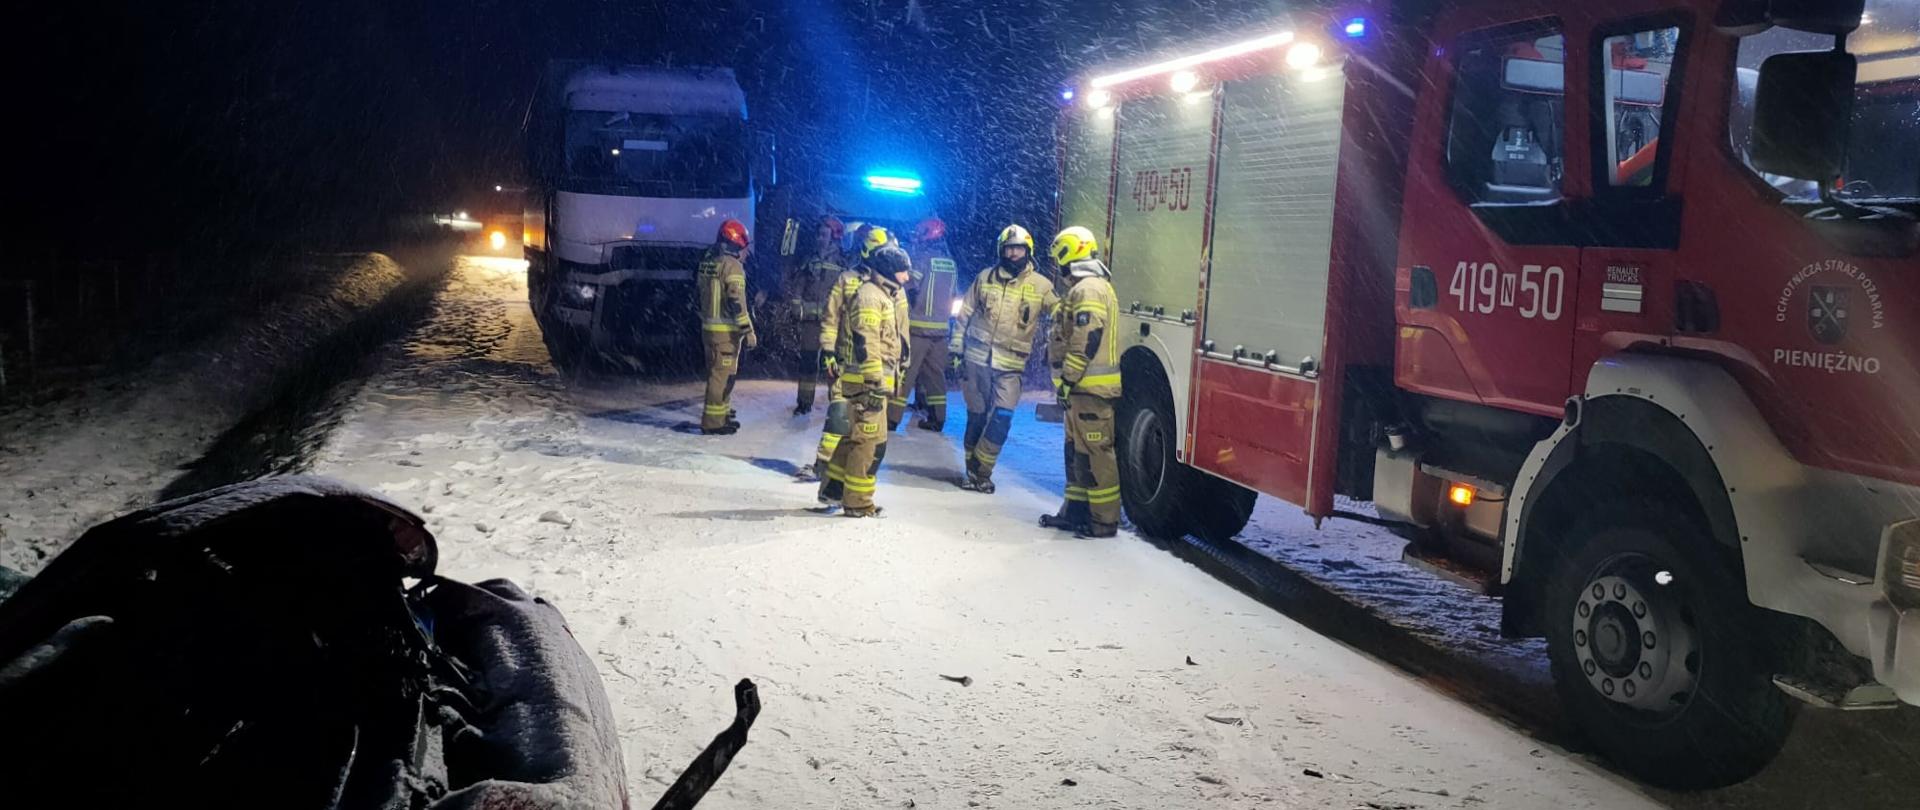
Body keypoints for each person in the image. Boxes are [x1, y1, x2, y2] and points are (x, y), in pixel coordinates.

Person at [952, 224, 1058, 493]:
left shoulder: (1042, 285)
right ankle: (973, 475)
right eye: (1009, 249)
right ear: (1001, 250)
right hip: (976, 362)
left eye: (1018, 249)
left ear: (1028, 251)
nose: (1013, 254)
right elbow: (965, 313)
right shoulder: (985, 277)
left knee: (1001, 418)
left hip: (1010, 367)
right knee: (976, 418)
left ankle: (981, 468)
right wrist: (955, 349)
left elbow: (1059, 314)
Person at [816, 244, 912, 517]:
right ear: (890, 271)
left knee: (851, 437)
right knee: (870, 443)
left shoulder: (882, 294)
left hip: (867, 381)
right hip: (868, 383)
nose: (906, 277)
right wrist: (874, 382)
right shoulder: (872, 297)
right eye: (903, 271)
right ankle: (858, 502)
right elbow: (866, 342)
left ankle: (833, 488)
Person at [1039, 227, 1123, 537]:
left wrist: (1068, 378)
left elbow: (1086, 337)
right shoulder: (1085, 287)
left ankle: (1103, 522)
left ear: (1068, 253)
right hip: (1080, 390)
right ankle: (1074, 512)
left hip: (1089, 389)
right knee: (1077, 453)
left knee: (1097, 455)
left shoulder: (1089, 289)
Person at [798, 225, 892, 483]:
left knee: (867, 424)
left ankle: (855, 470)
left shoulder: (890, 286)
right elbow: (830, 319)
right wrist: (828, 351)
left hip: (876, 367)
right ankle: (823, 465)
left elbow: (897, 329)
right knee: (839, 414)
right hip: (846, 363)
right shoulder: (846, 279)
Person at [697, 219, 755, 435]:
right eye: (744, 247)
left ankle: (721, 414)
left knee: (721, 373)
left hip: (709, 330)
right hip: (726, 333)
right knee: (721, 376)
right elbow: (735, 302)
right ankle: (713, 422)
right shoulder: (733, 267)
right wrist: (747, 330)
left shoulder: (708, 263)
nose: (746, 252)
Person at [785, 217, 847, 416]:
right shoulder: (809, 259)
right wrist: (797, 306)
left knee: (833, 363)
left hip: (833, 324)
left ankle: (836, 402)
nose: (819, 239)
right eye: (818, 234)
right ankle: (804, 403)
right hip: (811, 322)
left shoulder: (843, 263)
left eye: (824, 235)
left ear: (835, 238)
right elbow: (799, 285)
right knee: (808, 363)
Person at [901, 218, 959, 431]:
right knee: (936, 378)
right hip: (941, 331)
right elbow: (953, 295)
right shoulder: (951, 263)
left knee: (906, 374)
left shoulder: (922, 259)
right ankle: (937, 418)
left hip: (918, 328)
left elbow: (910, 285)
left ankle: (891, 418)